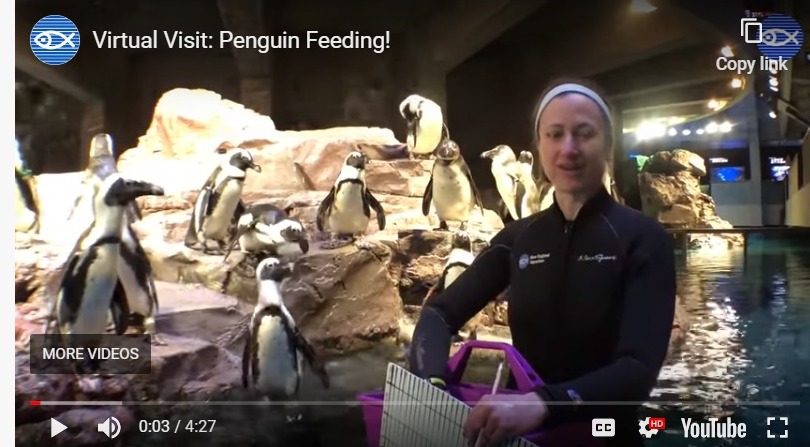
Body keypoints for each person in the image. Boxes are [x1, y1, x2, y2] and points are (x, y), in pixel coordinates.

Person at [408, 78, 677, 447]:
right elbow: (438, 315)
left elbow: (637, 371)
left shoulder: (643, 238)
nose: (568, 148)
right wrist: (432, 386)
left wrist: (544, 403)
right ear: (539, 145)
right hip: (524, 437)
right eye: (554, 134)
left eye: (584, 133)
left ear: (608, 145)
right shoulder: (519, 238)